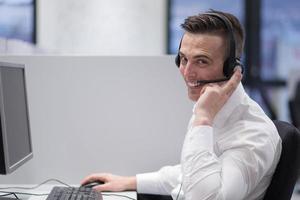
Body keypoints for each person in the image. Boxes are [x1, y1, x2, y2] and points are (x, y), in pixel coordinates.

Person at [81, 10, 282, 200]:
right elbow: (191, 172)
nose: (187, 73)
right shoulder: (214, 108)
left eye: (201, 61)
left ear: (232, 69)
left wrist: (203, 118)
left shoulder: (254, 136)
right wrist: (130, 182)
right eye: (184, 59)